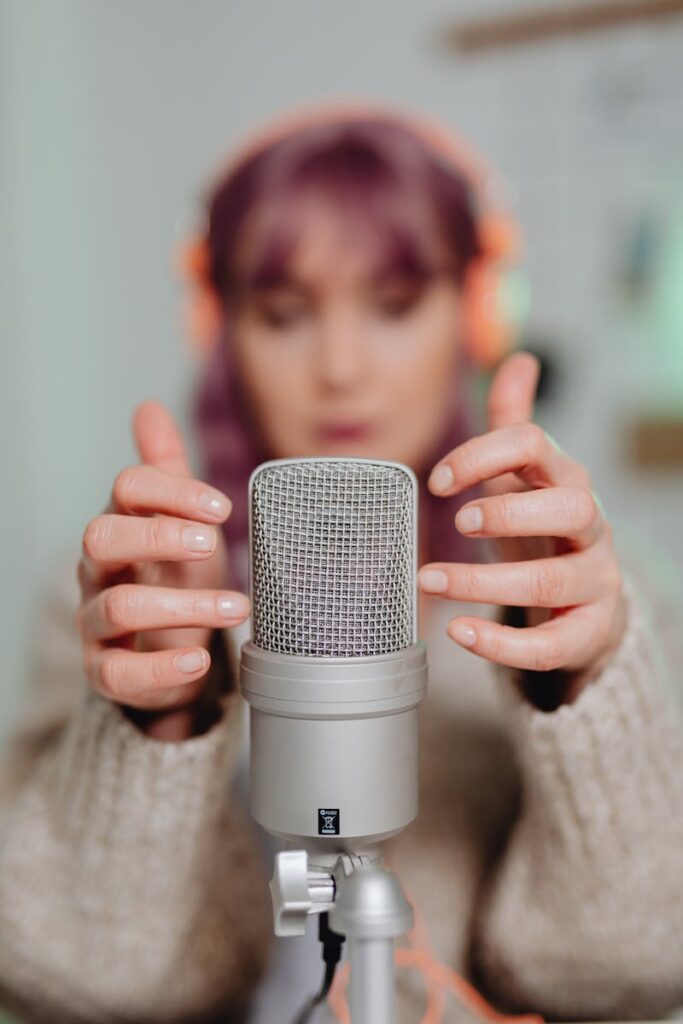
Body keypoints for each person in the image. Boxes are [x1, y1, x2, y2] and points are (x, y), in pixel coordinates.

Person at [1, 100, 682, 1024]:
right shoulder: (124, 595)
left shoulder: (592, 591)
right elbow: (74, 977)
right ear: (221, 327)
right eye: (284, 314)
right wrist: (158, 719)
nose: (341, 366)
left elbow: (636, 968)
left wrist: (579, 683)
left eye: (395, 307)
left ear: (477, 311)